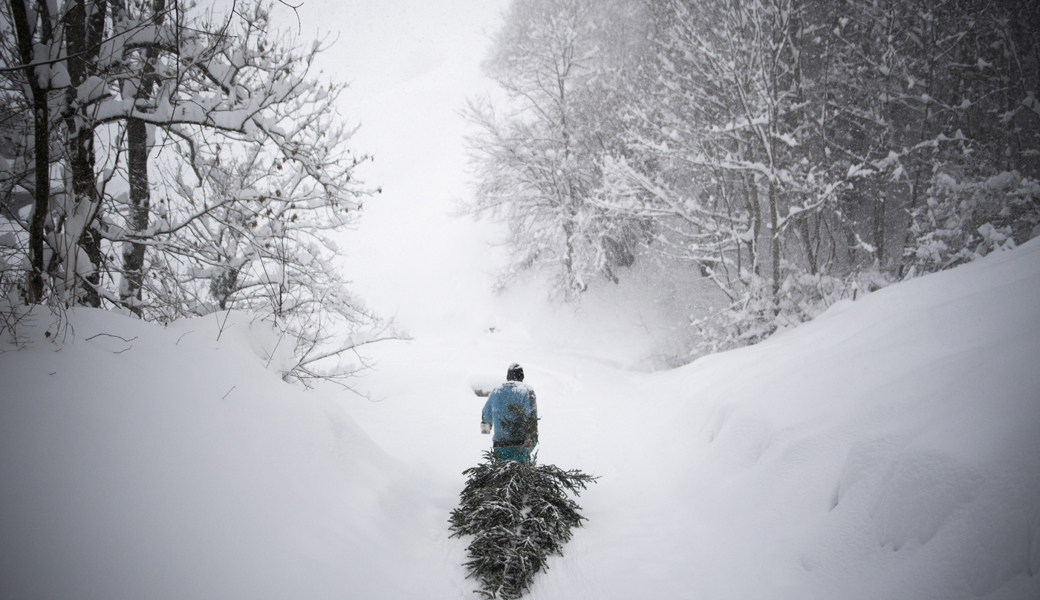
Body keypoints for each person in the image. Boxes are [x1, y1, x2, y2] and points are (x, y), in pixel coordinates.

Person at [481, 363, 538, 462]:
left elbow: (486, 417)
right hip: (521, 445)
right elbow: (531, 418)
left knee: (502, 473)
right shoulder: (526, 390)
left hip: (499, 445)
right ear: (522, 378)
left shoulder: (496, 391)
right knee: (520, 473)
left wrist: (486, 430)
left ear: (508, 377)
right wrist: (531, 440)